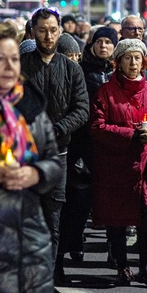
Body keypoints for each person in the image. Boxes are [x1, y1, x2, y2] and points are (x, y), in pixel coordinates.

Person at [0, 25, 63, 293]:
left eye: (14, 59)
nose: (9, 66)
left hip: (23, 241)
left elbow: (53, 161)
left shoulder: (32, 107)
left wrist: (35, 174)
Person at [21, 8, 89, 293]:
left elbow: (82, 109)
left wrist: (59, 127)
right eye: (42, 30)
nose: (48, 36)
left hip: (58, 154)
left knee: (52, 220)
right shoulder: (20, 67)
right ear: (33, 31)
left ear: (60, 31)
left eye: (53, 30)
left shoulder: (71, 68)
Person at [90, 39, 147, 286]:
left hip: (146, 169)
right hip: (116, 167)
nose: (133, 63)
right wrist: (130, 134)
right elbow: (98, 127)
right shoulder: (106, 92)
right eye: (128, 58)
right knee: (117, 221)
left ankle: (146, 267)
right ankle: (122, 267)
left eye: (137, 58)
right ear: (118, 62)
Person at [60, 26, 118, 266]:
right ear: (92, 44)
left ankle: (116, 254)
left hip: (111, 148)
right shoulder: (80, 71)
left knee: (113, 205)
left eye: (108, 42)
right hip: (84, 146)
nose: (103, 46)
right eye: (99, 41)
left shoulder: (118, 74)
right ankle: (71, 247)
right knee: (78, 205)